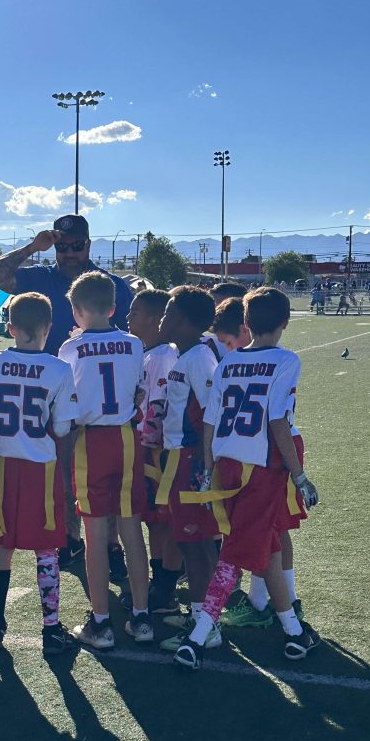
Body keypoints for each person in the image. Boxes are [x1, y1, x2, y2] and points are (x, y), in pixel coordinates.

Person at [173, 287, 321, 670]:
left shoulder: (228, 361)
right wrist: (300, 475)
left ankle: (293, 630)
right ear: (285, 322)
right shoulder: (285, 360)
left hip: (228, 464)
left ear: (246, 323)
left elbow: (211, 419)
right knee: (236, 552)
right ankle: (197, 637)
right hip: (261, 467)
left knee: (266, 544)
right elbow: (277, 419)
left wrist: (209, 469)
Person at [0, 213, 132, 579]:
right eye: (61, 247)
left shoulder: (108, 285)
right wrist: (32, 247)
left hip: (98, 405)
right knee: (62, 476)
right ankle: (70, 538)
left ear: (88, 244)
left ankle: (111, 544)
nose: (68, 254)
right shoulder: (39, 277)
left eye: (76, 246)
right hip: (47, 398)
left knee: (104, 481)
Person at [0, 292, 80, 655]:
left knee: (2, 545)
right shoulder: (59, 369)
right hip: (42, 467)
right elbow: (64, 427)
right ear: (48, 327)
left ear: (10, 327)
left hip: (4, 466)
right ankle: (51, 629)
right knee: (46, 547)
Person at [58, 272, 150, 650]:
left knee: (95, 533)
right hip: (127, 438)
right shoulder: (134, 344)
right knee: (131, 530)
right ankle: (141, 616)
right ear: (113, 307)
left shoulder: (70, 349)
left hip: (90, 441)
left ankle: (101, 622)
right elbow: (138, 390)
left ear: (76, 310)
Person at [154, 286, 222, 654]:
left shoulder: (198, 358)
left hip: (191, 459)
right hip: (180, 456)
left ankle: (204, 624)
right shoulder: (188, 355)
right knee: (192, 541)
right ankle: (203, 615)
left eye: (168, 313)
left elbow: (212, 412)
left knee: (194, 544)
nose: (162, 319)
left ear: (183, 321)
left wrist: (203, 464)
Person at [127, 289, 181, 614]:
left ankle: (165, 586)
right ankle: (159, 580)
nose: (128, 317)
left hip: (155, 450)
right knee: (153, 520)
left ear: (154, 319)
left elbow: (159, 407)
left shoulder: (161, 356)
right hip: (148, 447)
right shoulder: (149, 353)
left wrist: (148, 447)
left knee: (163, 519)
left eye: (134, 312)